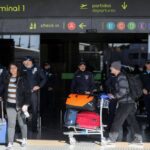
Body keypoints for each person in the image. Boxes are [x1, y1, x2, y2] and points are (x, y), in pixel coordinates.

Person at [106, 61, 142, 145]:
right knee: (132, 121)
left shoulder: (121, 77)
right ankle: (138, 139)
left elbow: (123, 91)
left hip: (125, 103)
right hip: (130, 102)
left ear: (115, 68)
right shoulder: (121, 76)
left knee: (117, 120)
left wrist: (114, 96)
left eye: (111, 67)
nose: (110, 68)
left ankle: (111, 140)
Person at [5, 63, 30, 150]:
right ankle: (10, 143)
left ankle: (24, 139)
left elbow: (27, 93)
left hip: (21, 105)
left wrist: (26, 104)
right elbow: (3, 90)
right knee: (11, 124)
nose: (12, 69)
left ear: (17, 69)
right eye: (11, 68)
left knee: (22, 123)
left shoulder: (22, 79)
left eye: (14, 68)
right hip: (10, 105)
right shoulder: (7, 78)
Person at [22, 56, 46, 132]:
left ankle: (34, 128)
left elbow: (44, 78)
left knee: (34, 110)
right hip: (23, 93)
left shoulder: (37, 68)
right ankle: (20, 128)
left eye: (27, 61)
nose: (25, 62)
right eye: (24, 61)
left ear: (31, 61)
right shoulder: (22, 68)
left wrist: (39, 86)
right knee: (22, 109)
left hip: (33, 92)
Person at [140, 60, 150, 130]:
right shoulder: (142, 74)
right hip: (146, 95)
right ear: (146, 65)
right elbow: (139, 83)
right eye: (148, 64)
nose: (149, 65)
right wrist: (142, 89)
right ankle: (149, 125)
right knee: (148, 110)